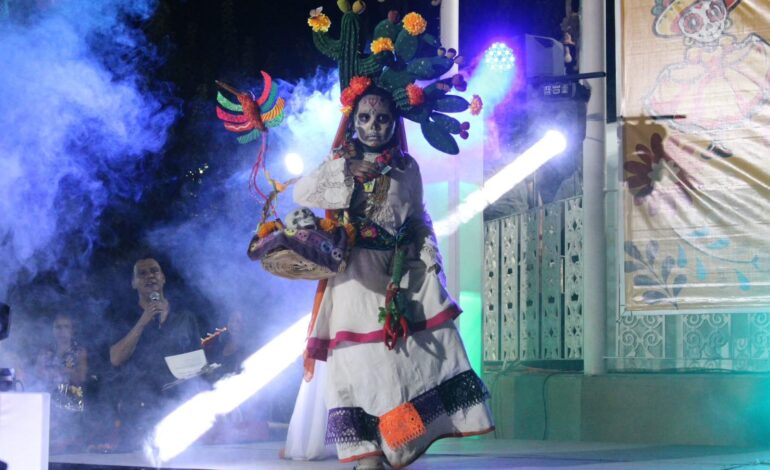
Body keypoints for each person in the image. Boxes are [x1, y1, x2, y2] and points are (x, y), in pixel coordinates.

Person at [293, 86, 494, 469]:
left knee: (403, 359)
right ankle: (365, 451)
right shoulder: (339, 161)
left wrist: (430, 254)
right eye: (365, 118)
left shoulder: (407, 167)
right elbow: (302, 193)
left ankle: (392, 443)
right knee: (358, 363)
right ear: (352, 121)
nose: (373, 126)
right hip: (353, 276)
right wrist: (345, 171)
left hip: (397, 273)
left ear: (394, 121)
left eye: (382, 118)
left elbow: (417, 218)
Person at [107, 257, 203, 450]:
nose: (149, 276)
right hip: (138, 414)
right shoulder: (122, 317)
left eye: (154, 271)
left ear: (163, 278)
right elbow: (115, 358)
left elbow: (198, 366)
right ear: (134, 283)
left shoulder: (185, 316)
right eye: (142, 273)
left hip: (177, 410)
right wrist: (143, 321)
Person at [35, 312, 88, 452]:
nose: (62, 331)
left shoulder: (79, 351)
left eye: (66, 327)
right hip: (49, 401)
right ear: (53, 330)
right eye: (58, 327)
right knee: (48, 444)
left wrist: (66, 371)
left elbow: (81, 378)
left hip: (71, 402)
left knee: (70, 446)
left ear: (72, 330)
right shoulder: (45, 351)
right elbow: (38, 374)